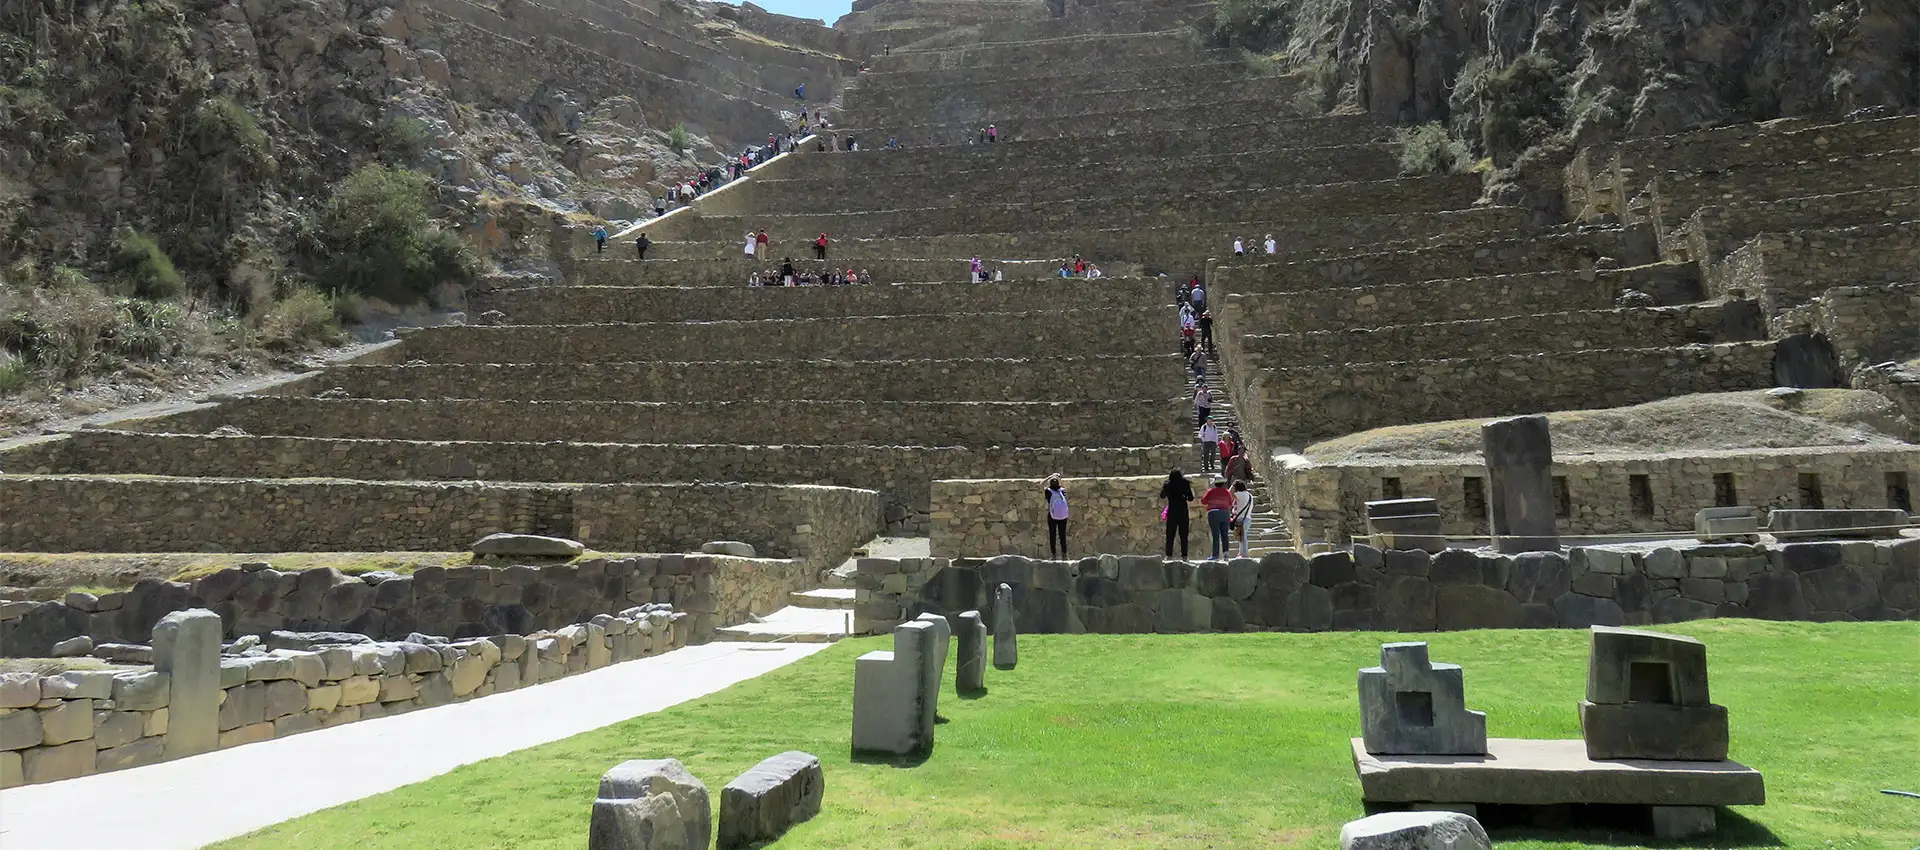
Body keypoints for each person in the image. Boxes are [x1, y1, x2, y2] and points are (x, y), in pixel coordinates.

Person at [1159, 469, 1194, 559]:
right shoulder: (1185, 484)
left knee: (1170, 535)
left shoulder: (1168, 484)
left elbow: (1162, 496)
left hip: (1172, 512)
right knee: (1183, 535)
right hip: (1183, 511)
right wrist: (1184, 496)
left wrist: (1165, 488)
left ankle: (1169, 555)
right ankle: (1184, 556)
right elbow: (1191, 498)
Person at [1201, 478, 1235, 560]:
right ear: (1223, 483)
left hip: (1213, 513)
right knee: (1225, 535)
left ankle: (1215, 555)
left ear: (1215, 484)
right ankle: (1226, 554)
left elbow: (1203, 501)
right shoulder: (1227, 492)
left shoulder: (1210, 491)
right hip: (1225, 513)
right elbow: (1230, 503)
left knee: (1215, 535)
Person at [1044, 474, 1069, 559]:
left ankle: (1053, 555)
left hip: (1052, 515)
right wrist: (1059, 478)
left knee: (1052, 535)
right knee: (1062, 536)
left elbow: (1041, 484)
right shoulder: (1062, 491)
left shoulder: (1048, 491)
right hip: (1063, 516)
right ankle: (1064, 556)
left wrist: (1050, 476)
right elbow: (1063, 486)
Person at [1231, 480, 1254, 557]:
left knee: (1243, 537)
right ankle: (1241, 553)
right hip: (1248, 518)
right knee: (1241, 537)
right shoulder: (1250, 495)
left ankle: (1245, 554)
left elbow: (1229, 492)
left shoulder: (1239, 494)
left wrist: (1233, 485)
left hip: (1241, 518)